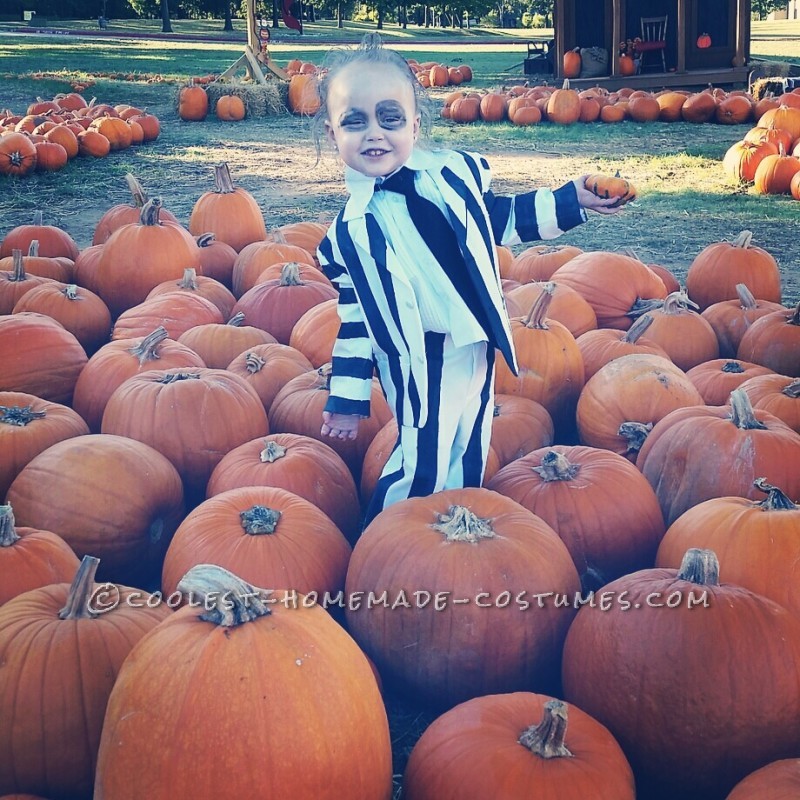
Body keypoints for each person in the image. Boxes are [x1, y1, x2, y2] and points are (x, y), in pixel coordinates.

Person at [314, 34, 622, 526]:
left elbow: (502, 218)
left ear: (415, 125)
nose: (374, 133)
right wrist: (347, 400)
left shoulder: (452, 177)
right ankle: (393, 538)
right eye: (355, 121)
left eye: (389, 117)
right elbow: (356, 321)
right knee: (425, 456)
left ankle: (461, 522)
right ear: (333, 134)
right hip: (420, 357)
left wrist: (570, 202)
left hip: (476, 341)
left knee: (472, 439)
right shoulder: (345, 237)